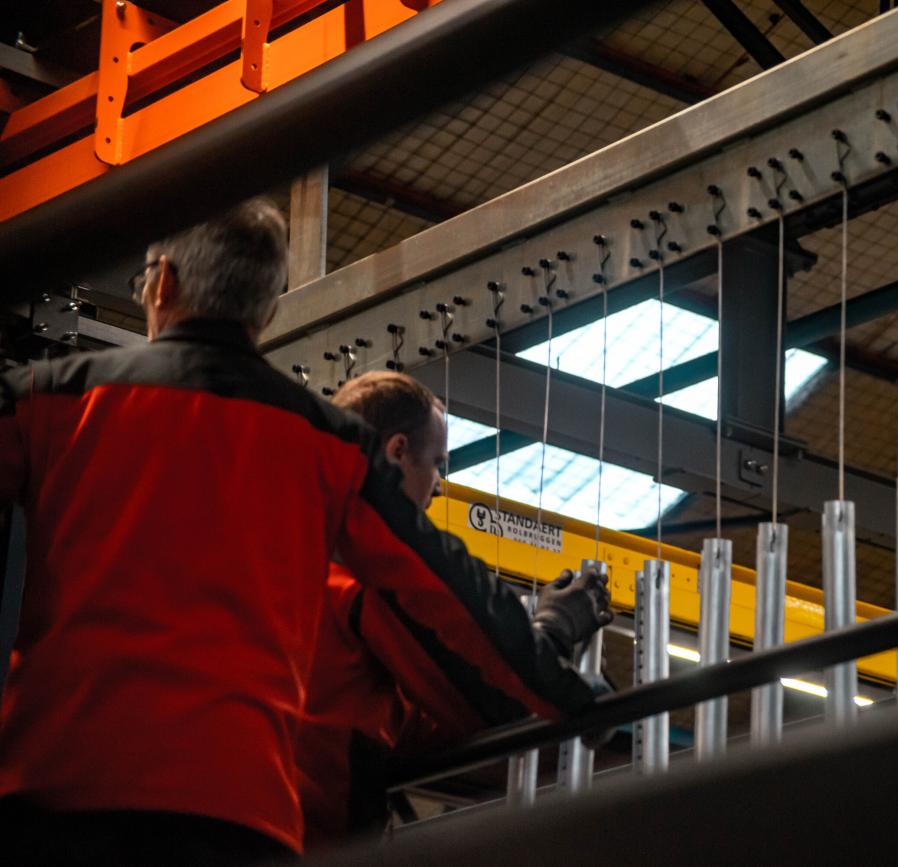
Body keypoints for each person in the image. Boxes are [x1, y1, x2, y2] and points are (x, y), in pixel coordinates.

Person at [0, 199, 611, 865]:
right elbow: (443, 590)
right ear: (266, 312)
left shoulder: (50, 399)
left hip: (55, 798)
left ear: (163, 284)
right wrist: (570, 693)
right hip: (234, 815)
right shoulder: (328, 443)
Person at [296, 371, 610, 850]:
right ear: (397, 451)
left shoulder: (292, 553)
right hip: (307, 840)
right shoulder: (364, 577)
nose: (439, 486)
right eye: (437, 464)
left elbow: (393, 722)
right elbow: (478, 702)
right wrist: (552, 634)